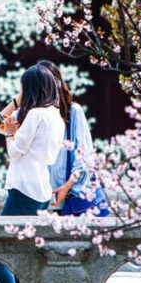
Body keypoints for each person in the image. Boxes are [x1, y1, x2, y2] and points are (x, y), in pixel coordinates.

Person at [0, 66, 65, 283]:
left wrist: (9, 134)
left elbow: (15, 151)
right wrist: (12, 121)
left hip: (24, 188)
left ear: (31, 88)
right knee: (22, 253)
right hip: (41, 188)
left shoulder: (35, 115)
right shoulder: (56, 116)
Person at [35, 60, 95, 210]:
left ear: (58, 83)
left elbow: (84, 156)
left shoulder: (73, 111)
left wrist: (66, 187)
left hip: (68, 194)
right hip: (40, 195)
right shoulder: (34, 114)